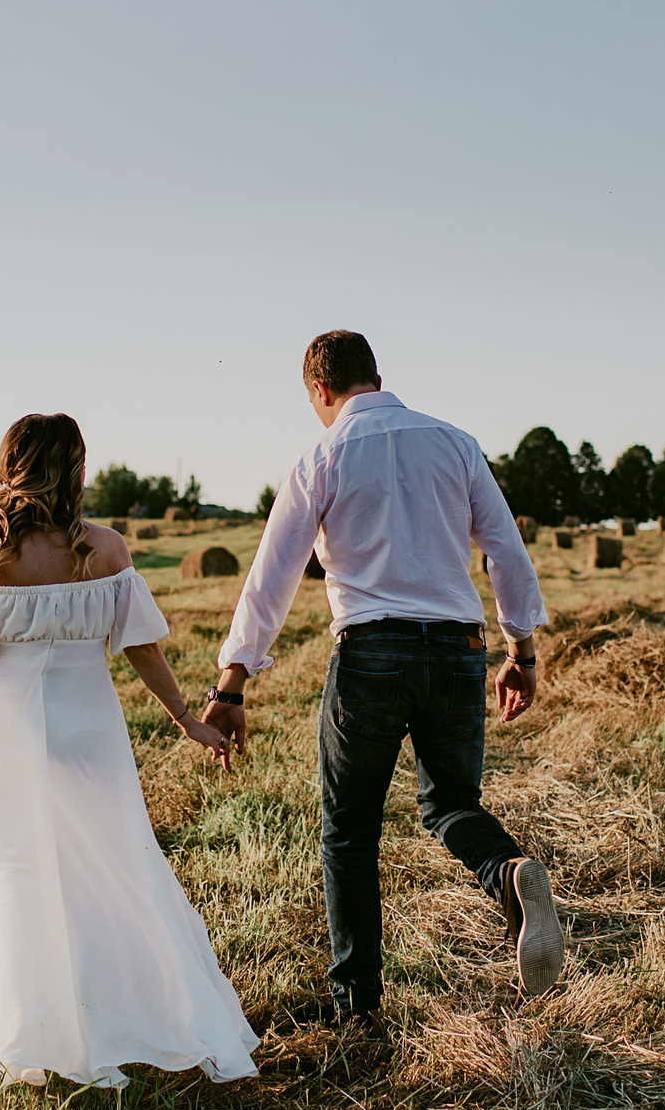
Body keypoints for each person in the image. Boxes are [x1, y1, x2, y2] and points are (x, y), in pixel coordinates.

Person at [204, 330, 560, 1024]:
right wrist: (522, 650)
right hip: (458, 647)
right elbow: (506, 553)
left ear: (320, 390)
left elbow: (271, 578)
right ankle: (508, 872)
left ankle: (356, 1005)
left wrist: (231, 682)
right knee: (452, 804)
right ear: (378, 375)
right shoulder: (455, 442)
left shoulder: (323, 453)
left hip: (370, 654)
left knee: (349, 826)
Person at [0, 413, 258, 1089]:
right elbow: (142, 645)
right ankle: (139, 1012)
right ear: (76, 470)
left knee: (21, 878)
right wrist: (184, 718)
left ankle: (38, 1032)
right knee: (119, 869)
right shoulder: (108, 549)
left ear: (12, 467)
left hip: (14, 730)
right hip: (90, 725)